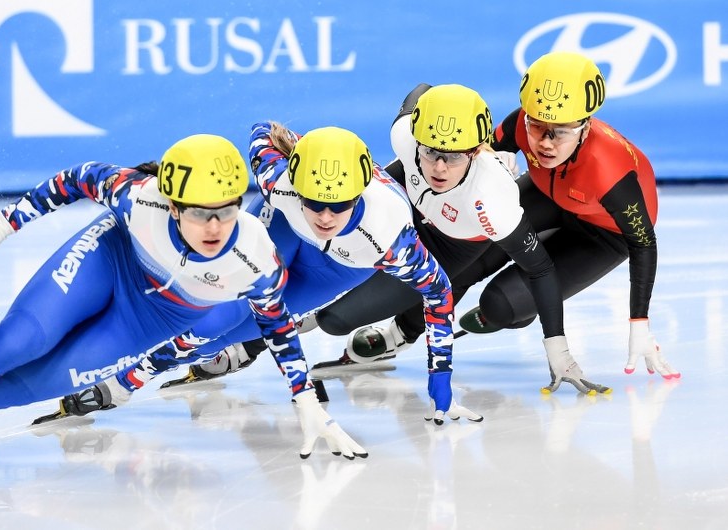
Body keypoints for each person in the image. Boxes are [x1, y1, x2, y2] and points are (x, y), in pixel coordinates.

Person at [0, 134, 365, 469]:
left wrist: (305, 402)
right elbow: (74, 180)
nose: (215, 226)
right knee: (18, 342)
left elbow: (279, 329)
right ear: (173, 206)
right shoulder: (139, 199)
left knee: (13, 392)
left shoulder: (255, 256)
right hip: (111, 261)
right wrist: (0, 227)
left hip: (154, 318)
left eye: (226, 211)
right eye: (200, 213)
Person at [43, 123, 482, 425]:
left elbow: (439, 295)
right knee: (216, 314)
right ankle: (122, 371)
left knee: (221, 335)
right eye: (315, 202)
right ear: (296, 184)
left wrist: (440, 379)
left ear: (359, 196)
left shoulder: (389, 237)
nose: (324, 217)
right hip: (284, 229)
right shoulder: (279, 179)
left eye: (339, 206)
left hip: (337, 267)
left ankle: (130, 380)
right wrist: (292, 140)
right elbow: (261, 131)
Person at [278, 83, 608, 395]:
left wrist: (559, 351)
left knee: (334, 320)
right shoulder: (405, 135)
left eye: (454, 156)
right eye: (431, 151)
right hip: (402, 205)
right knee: (309, 261)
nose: (439, 167)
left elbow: (540, 268)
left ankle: (399, 333)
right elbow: (422, 89)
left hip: (446, 246)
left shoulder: (492, 198)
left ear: (476, 152)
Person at [455, 51, 679, 381]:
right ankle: (402, 329)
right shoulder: (522, 122)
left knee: (499, 304)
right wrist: (489, 160)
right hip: (549, 193)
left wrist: (639, 323)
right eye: (538, 126)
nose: (546, 143)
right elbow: (480, 151)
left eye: (560, 131)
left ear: (585, 128)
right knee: (469, 248)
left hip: (604, 235)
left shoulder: (610, 172)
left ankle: (515, 309)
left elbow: (644, 244)